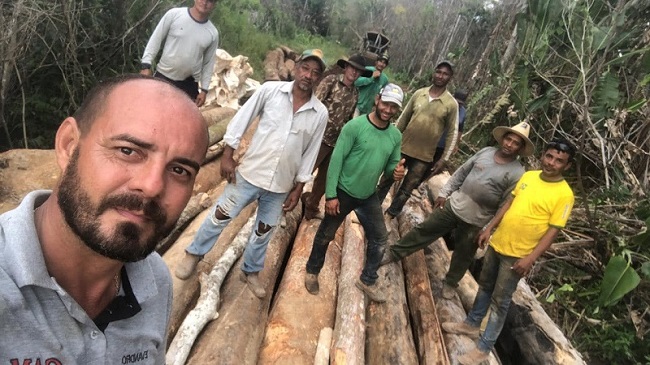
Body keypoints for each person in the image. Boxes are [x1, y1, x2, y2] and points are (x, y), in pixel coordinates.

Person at [0, 74, 209, 363]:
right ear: (68, 145)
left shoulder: (155, 281)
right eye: (128, 151)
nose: (152, 186)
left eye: (179, 171)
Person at [176, 49, 329, 299]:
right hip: (249, 174)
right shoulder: (271, 91)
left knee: (264, 231)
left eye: (315, 72)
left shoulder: (319, 113)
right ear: (297, 67)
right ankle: (193, 254)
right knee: (220, 216)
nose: (308, 75)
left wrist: (299, 186)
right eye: (305, 68)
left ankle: (250, 270)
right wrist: (228, 155)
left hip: (280, 185)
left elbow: (311, 153)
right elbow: (242, 118)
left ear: (319, 78)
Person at [442, 138, 576, 365]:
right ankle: (471, 324)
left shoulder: (564, 195)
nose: (552, 163)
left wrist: (530, 259)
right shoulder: (529, 176)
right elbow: (509, 204)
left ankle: (484, 347)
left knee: (500, 301)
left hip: (518, 255)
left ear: (567, 166)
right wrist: (489, 228)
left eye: (559, 161)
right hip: (498, 243)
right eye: (549, 157)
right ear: (543, 155)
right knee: (484, 286)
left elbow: (553, 232)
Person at [382, 122, 534, 301]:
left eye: (516, 143)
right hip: (455, 205)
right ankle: (394, 252)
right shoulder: (485, 153)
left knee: (464, 254)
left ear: (520, 148)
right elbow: (462, 173)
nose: (510, 144)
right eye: (509, 139)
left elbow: (505, 205)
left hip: (478, 220)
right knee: (425, 230)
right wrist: (445, 193)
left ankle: (451, 282)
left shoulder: (517, 173)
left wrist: (487, 228)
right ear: (503, 139)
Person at [304, 84, 406, 303]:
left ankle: (367, 279)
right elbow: (336, 161)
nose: (388, 110)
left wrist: (396, 173)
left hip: (368, 195)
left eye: (394, 107)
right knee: (325, 235)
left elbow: (390, 167)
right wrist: (331, 195)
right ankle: (312, 271)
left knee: (379, 238)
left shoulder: (395, 136)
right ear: (377, 99)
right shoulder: (355, 127)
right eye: (386, 103)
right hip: (343, 192)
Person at [376, 60, 459, 219]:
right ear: (434, 73)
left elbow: (452, 133)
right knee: (387, 178)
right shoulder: (419, 94)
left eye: (445, 74)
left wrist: (444, 159)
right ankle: (373, 207)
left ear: (450, 77)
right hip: (403, 147)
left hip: (424, 156)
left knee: (408, 187)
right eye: (438, 71)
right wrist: (390, 140)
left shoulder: (451, 104)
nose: (440, 76)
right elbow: (403, 119)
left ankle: (391, 214)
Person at [301, 54, 372, 220]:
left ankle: (311, 208)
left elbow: (348, 120)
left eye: (358, 71)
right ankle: (285, 205)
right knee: (304, 172)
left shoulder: (355, 93)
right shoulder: (331, 81)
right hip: (318, 138)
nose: (354, 73)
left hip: (336, 143)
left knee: (324, 180)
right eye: (352, 68)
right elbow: (315, 104)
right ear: (346, 67)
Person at [140, 0, 219, 107]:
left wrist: (204, 90)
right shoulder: (174, 15)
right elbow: (155, 39)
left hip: (189, 85)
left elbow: (208, 64)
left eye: (210, 1)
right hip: (163, 78)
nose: (205, 2)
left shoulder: (212, 33)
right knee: (153, 113)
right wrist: (146, 65)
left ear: (214, 4)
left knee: (183, 122)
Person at [432, 89, 468, 166]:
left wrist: (456, 144)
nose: (458, 105)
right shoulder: (444, 105)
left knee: (434, 165)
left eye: (460, 104)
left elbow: (460, 129)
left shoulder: (463, 112)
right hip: (432, 140)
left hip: (444, 144)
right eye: (457, 102)